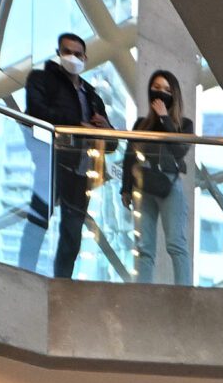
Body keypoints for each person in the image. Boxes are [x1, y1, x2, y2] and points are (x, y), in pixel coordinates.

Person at [17, 32, 108, 277]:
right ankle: (22, 275)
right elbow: (36, 111)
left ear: (85, 58)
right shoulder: (42, 79)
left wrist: (105, 129)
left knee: (72, 233)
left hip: (83, 170)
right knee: (38, 220)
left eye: (77, 54)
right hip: (52, 162)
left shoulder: (92, 95)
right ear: (58, 53)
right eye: (67, 52)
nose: (72, 58)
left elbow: (110, 145)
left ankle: (62, 283)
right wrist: (79, 124)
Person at [123, 69, 193, 284]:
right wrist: (125, 188)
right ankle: (142, 292)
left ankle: (184, 293)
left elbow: (180, 150)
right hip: (143, 186)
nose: (160, 93)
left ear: (175, 95)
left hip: (169, 185)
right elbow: (129, 156)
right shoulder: (141, 124)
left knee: (176, 243)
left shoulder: (184, 124)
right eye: (156, 88)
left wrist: (164, 118)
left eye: (166, 90)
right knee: (144, 246)